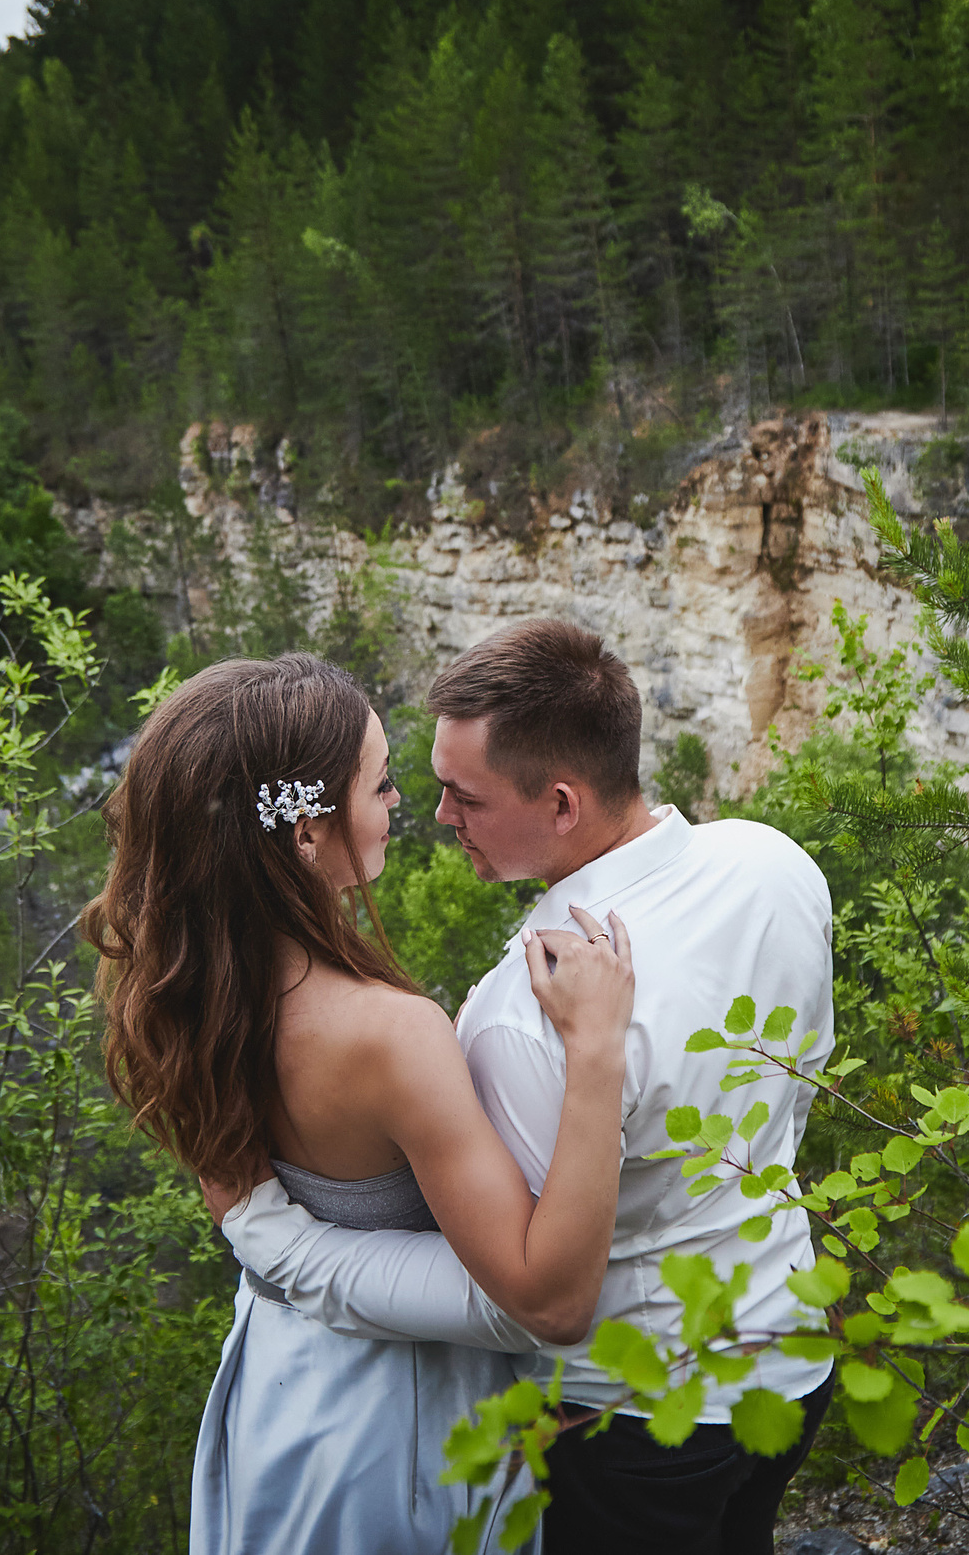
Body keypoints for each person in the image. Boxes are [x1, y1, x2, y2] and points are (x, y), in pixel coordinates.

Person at [218, 620, 838, 1555]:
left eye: (464, 796)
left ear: (560, 803)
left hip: (634, 1421)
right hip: (793, 1354)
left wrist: (284, 1246)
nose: (438, 816)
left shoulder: (522, 1015)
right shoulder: (775, 864)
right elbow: (796, 1090)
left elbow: (522, 1292)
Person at [82, 651, 638, 1555]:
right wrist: (598, 1048)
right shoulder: (387, 1036)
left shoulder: (182, 987)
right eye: (380, 785)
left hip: (280, 1388)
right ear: (306, 832)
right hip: (400, 1428)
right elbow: (552, 1298)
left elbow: (241, 1199)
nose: (402, 804)